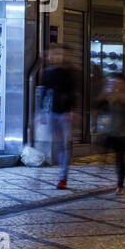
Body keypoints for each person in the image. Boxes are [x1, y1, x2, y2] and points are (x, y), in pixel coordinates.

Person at [94, 73, 125, 195]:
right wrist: (105, 97)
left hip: (122, 133)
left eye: (119, 83)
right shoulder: (108, 95)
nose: (116, 85)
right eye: (114, 83)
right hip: (109, 131)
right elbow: (98, 105)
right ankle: (103, 166)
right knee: (103, 150)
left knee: (120, 159)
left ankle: (120, 185)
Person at [40, 48, 77, 189]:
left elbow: (72, 93)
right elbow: (43, 92)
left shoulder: (68, 72)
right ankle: (62, 173)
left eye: (59, 54)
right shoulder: (47, 73)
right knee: (57, 145)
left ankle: (63, 178)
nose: (56, 57)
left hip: (64, 114)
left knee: (63, 146)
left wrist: (70, 111)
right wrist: (42, 113)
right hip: (52, 113)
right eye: (53, 54)